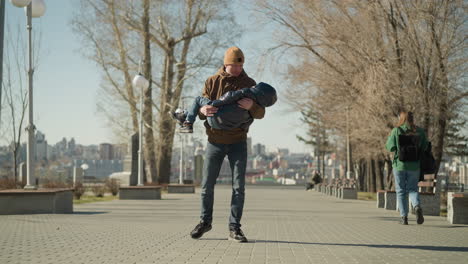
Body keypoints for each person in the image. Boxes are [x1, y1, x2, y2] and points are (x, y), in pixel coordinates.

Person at [189, 46, 266, 242]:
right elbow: (201, 108)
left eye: (241, 65)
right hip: (214, 141)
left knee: (238, 186)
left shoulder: (250, 83)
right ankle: (205, 222)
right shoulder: (212, 81)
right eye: (234, 65)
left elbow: (261, 113)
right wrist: (203, 111)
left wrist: (253, 106)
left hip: (238, 141)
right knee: (207, 185)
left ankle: (234, 227)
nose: (238, 69)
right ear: (226, 64)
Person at [171, 82, 277, 133]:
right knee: (198, 106)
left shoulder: (246, 92)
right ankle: (184, 114)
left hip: (214, 116)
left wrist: (215, 103)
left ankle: (188, 123)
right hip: (223, 127)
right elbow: (246, 124)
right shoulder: (253, 110)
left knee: (198, 99)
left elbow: (230, 96)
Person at [385, 111, 428, 225]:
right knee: (413, 189)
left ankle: (404, 217)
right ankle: (417, 206)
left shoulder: (396, 130)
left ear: (401, 118)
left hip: (399, 165)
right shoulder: (419, 131)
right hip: (414, 165)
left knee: (400, 191)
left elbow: (390, 147)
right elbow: (425, 146)